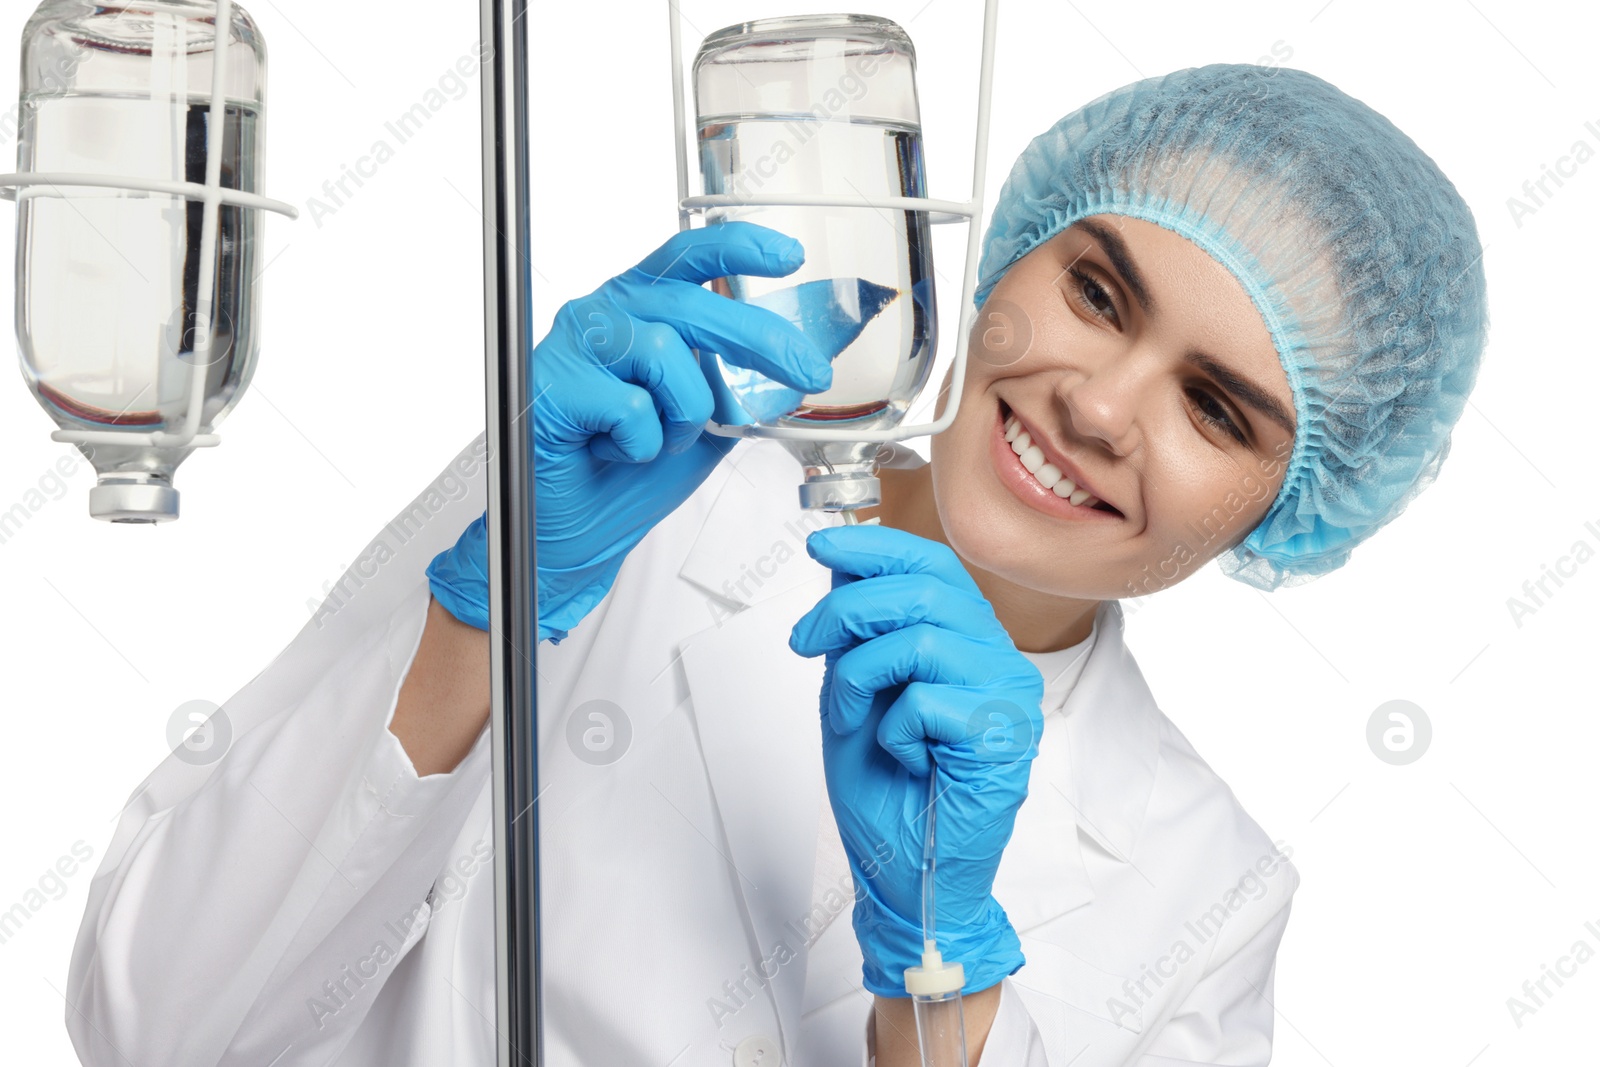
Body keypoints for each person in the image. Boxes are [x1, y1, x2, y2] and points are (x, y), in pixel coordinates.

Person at [64, 63, 1488, 1066]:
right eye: (1098, 290)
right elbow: (156, 1033)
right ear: (1000, 256)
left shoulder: (1202, 888)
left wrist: (944, 972)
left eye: (1216, 407)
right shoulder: (638, 486)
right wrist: (489, 607)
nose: (1099, 406)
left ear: (1288, 508)